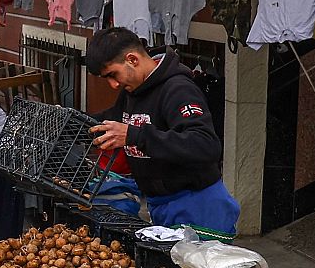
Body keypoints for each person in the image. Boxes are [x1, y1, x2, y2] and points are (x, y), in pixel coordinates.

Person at [85, 27, 240, 239]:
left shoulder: (179, 89)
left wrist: (134, 135)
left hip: (199, 206)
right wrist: (74, 121)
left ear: (132, 59)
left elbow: (205, 144)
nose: (113, 85)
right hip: (161, 206)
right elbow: (111, 120)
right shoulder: (132, 91)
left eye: (113, 75)